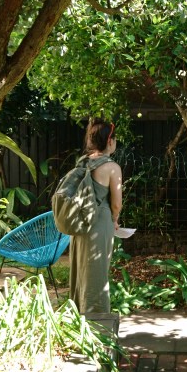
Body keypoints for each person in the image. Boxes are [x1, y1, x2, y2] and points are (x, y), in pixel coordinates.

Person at [68, 118, 123, 314]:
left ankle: (77, 314)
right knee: (97, 272)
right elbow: (116, 203)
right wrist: (115, 220)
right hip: (99, 224)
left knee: (80, 269)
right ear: (110, 141)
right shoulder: (112, 167)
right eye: (115, 139)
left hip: (80, 223)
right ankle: (97, 319)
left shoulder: (82, 163)